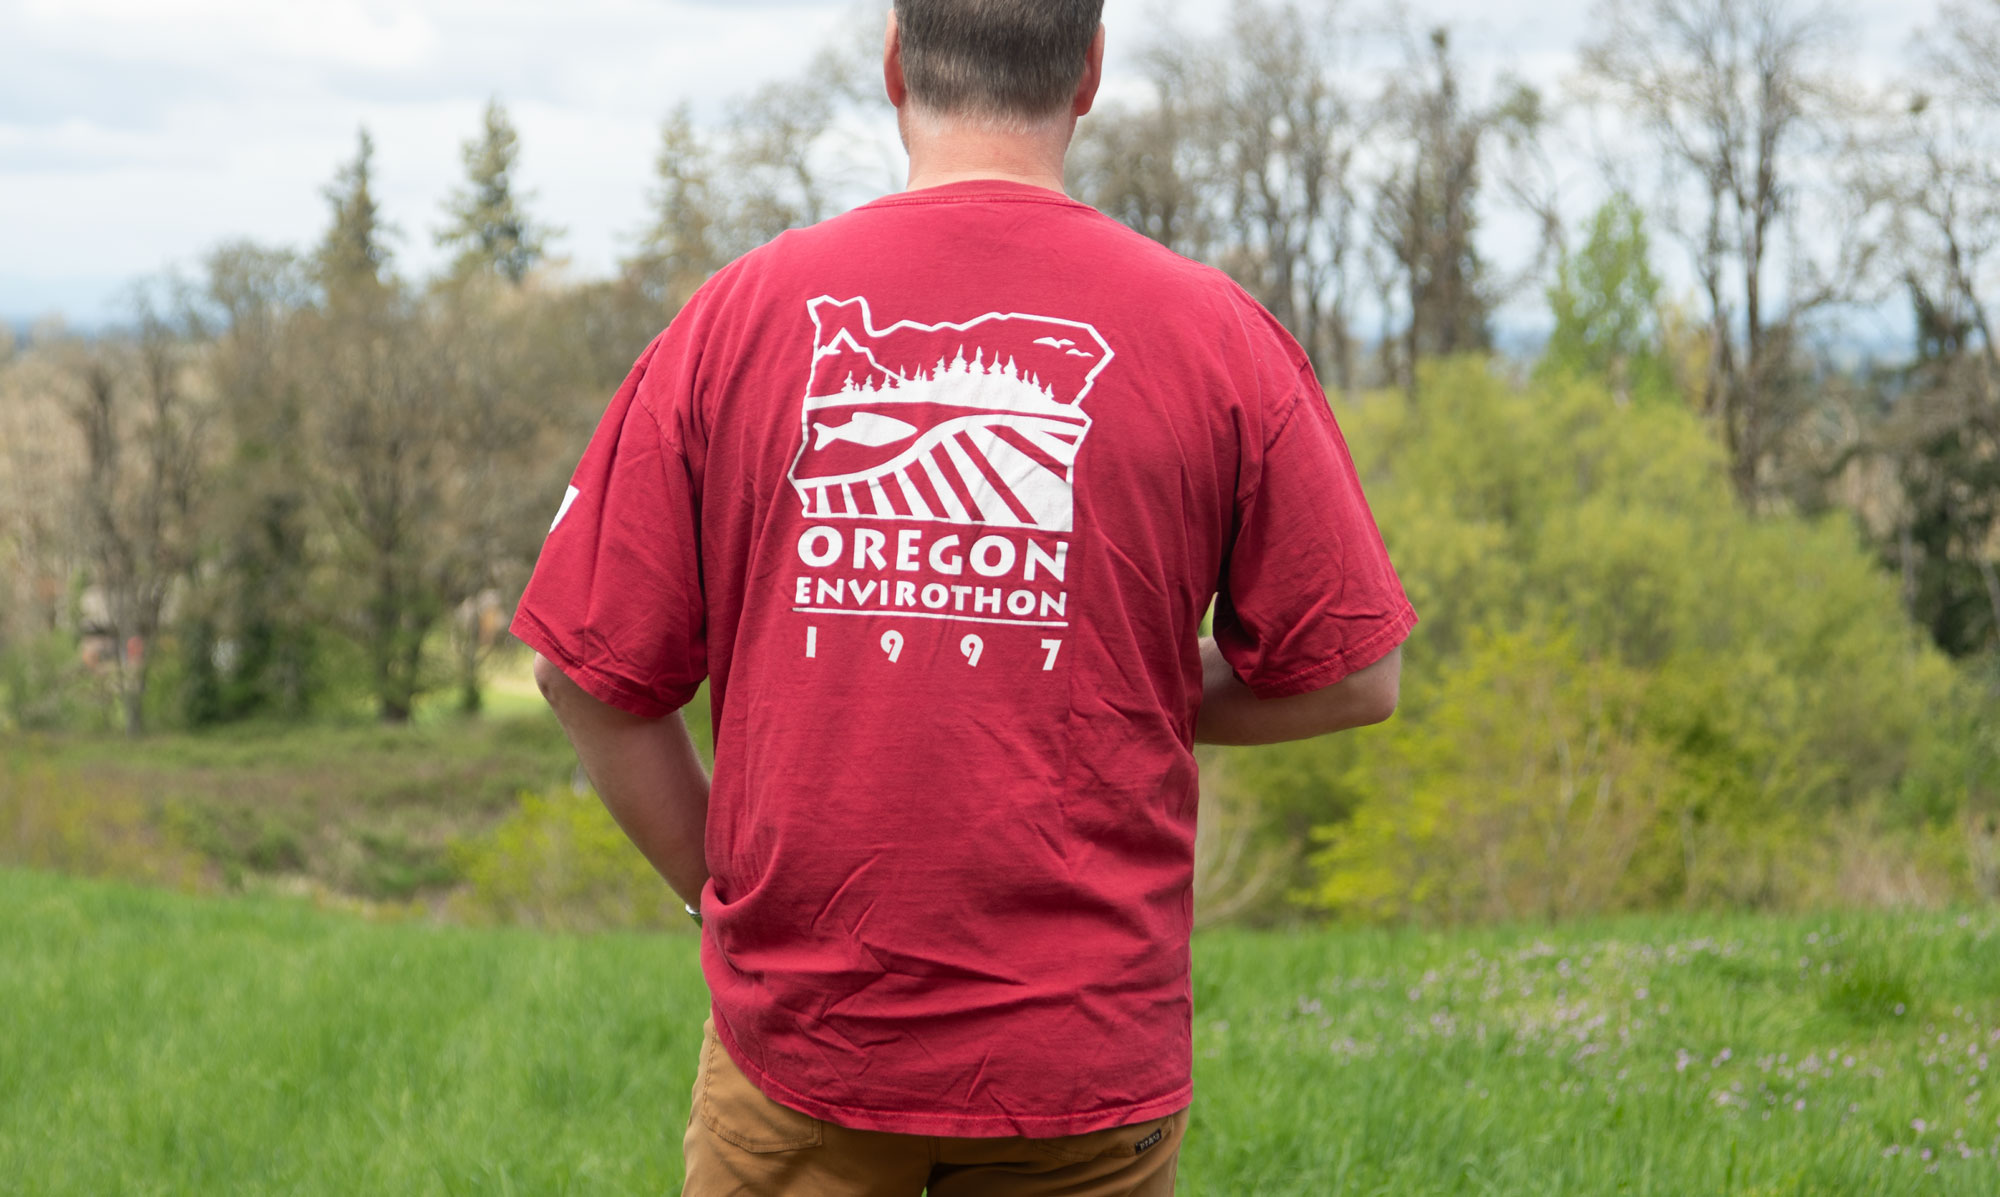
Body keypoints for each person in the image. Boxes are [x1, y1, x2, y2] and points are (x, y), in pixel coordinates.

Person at [514, 1, 1416, 1192]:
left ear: (893, 61)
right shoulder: (1215, 336)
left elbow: (579, 670)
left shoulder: (735, 318)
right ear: (1088, 70)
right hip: (1083, 1065)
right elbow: (1353, 674)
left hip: (805, 1047)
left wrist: (716, 899)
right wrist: (1132, 681)